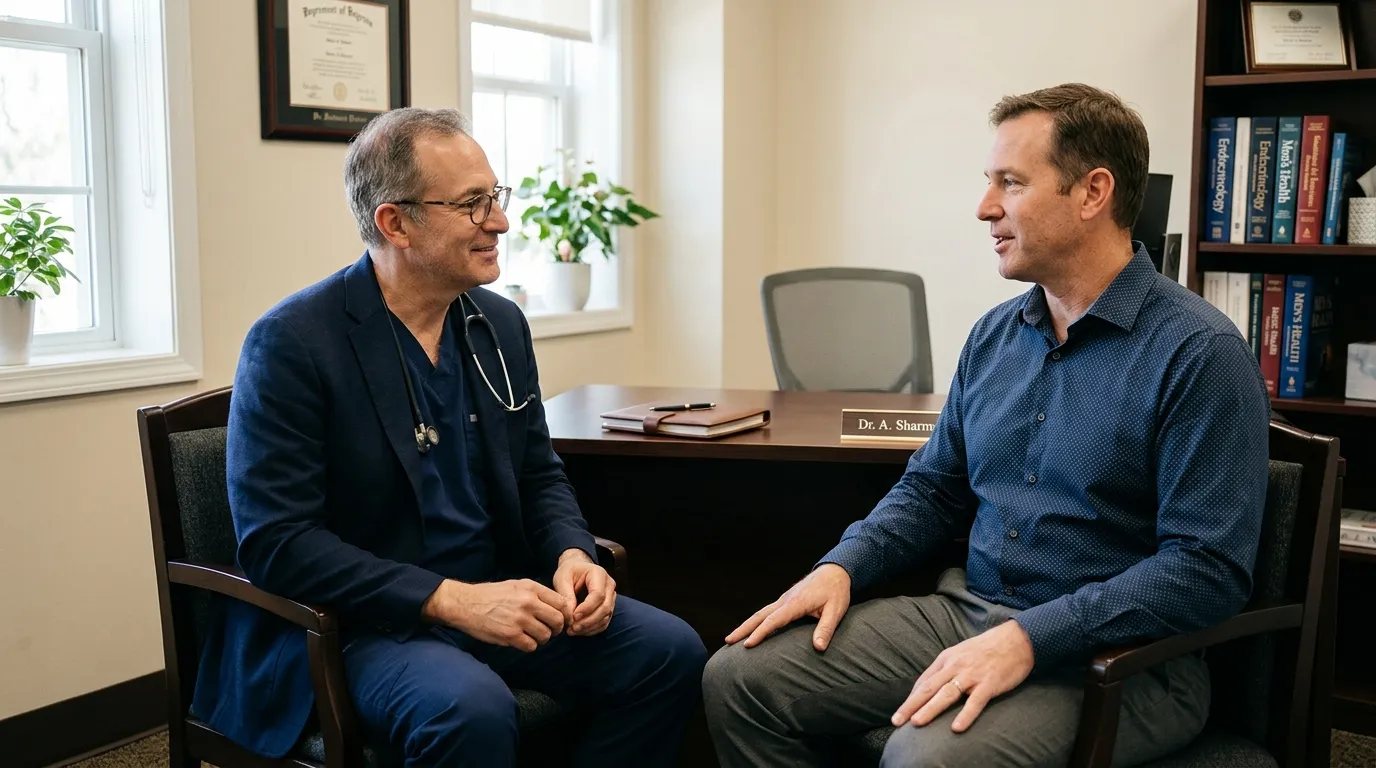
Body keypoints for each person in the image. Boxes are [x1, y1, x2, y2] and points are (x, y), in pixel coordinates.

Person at [702, 83, 1271, 767]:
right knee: (739, 680)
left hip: (1127, 658)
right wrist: (842, 566)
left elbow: (1206, 570)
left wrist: (1033, 636)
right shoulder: (995, 337)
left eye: (1011, 183)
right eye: (989, 182)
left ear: (1092, 193)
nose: (985, 208)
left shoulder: (1199, 353)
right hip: (967, 614)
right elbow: (932, 490)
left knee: (926, 758)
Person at [193, 107, 706, 768]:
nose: (500, 221)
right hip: (361, 623)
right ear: (394, 222)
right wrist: (450, 601)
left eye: (495, 197)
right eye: (471, 204)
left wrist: (574, 556)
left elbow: (536, 473)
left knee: (670, 653)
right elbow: (278, 542)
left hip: (498, 596)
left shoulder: (498, 325)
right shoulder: (293, 343)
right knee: (468, 709)